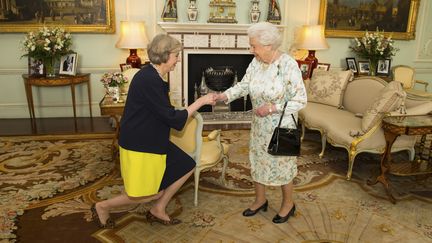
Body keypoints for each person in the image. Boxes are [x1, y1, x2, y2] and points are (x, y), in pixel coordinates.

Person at [91, 34, 216, 228]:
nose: (178, 59)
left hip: (153, 137)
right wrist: (200, 102)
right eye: (176, 55)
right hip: (140, 143)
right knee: (149, 193)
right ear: (165, 56)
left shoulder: (153, 75)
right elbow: (173, 119)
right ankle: (102, 206)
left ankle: (158, 209)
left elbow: (163, 111)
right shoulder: (149, 79)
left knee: (187, 164)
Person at [215, 22, 307, 224]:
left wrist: (272, 108)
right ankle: (260, 200)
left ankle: (288, 204)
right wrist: (223, 95)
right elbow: (244, 85)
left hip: (281, 126)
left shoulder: (288, 65)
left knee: (282, 164)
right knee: (258, 161)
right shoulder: (256, 63)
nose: (251, 50)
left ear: (268, 46)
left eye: (253, 46)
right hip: (259, 125)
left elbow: (300, 100)